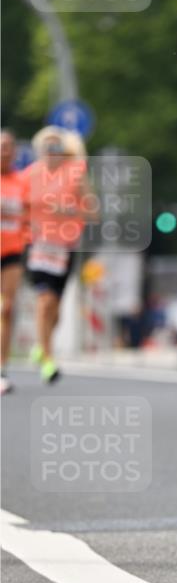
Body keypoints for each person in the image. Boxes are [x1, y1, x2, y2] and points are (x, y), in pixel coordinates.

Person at [23, 127, 97, 382]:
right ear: (39, 151)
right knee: (44, 300)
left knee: (55, 307)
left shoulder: (75, 173)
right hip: (37, 245)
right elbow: (17, 206)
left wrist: (69, 210)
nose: (52, 152)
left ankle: (41, 344)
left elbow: (93, 212)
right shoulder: (30, 175)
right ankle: (48, 360)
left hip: (65, 246)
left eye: (57, 147)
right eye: (47, 147)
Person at [1, 130, 29, 395]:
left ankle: (2, 368)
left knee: (7, 309)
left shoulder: (21, 182)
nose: (4, 151)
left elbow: (31, 215)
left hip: (11, 251)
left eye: (8, 146)